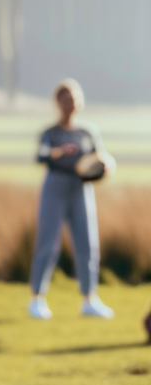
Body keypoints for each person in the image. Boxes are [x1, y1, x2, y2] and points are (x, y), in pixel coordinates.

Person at [28, 79, 113, 319]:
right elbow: (41, 156)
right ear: (58, 103)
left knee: (87, 243)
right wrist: (59, 152)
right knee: (47, 243)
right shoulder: (50, 133)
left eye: (74, 100)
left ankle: (89, 298)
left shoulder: (87, 132)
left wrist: (103, 167)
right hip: (55, 185)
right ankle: (37, 298)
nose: (70, 104)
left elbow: (101, 157)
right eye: (65, 100)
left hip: (81, 188)